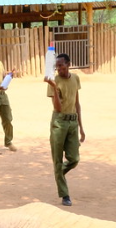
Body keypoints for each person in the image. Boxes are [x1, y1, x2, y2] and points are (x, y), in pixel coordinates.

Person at [44, 53, 85, 207]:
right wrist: (54, 87)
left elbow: (77, 104)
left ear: (68, 64)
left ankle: (58, 172)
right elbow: (58, 108)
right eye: (57, 66)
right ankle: (65, 195)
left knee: (74, 159)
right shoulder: (53, 81)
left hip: (73, 122)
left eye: (61, 65)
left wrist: (81, 128)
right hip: (59, 123)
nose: (59, 68)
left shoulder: (75, 78)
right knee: (57, 159)